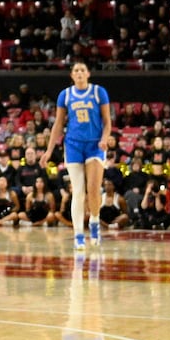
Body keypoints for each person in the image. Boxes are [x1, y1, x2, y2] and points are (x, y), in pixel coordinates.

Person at [42, 61, 114, 252]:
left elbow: (107, 122)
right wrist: (49, 151)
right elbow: (58, 124)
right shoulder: (65, 95)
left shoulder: (99, 92)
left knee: (93, 189)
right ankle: (78, 235)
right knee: (78, 191)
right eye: (76, 70)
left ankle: (95, 222)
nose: (80, 72)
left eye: (83, 70)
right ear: (72, 75)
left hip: (95, 144)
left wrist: (105, 139)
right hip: (73, 145)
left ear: (88, 73)